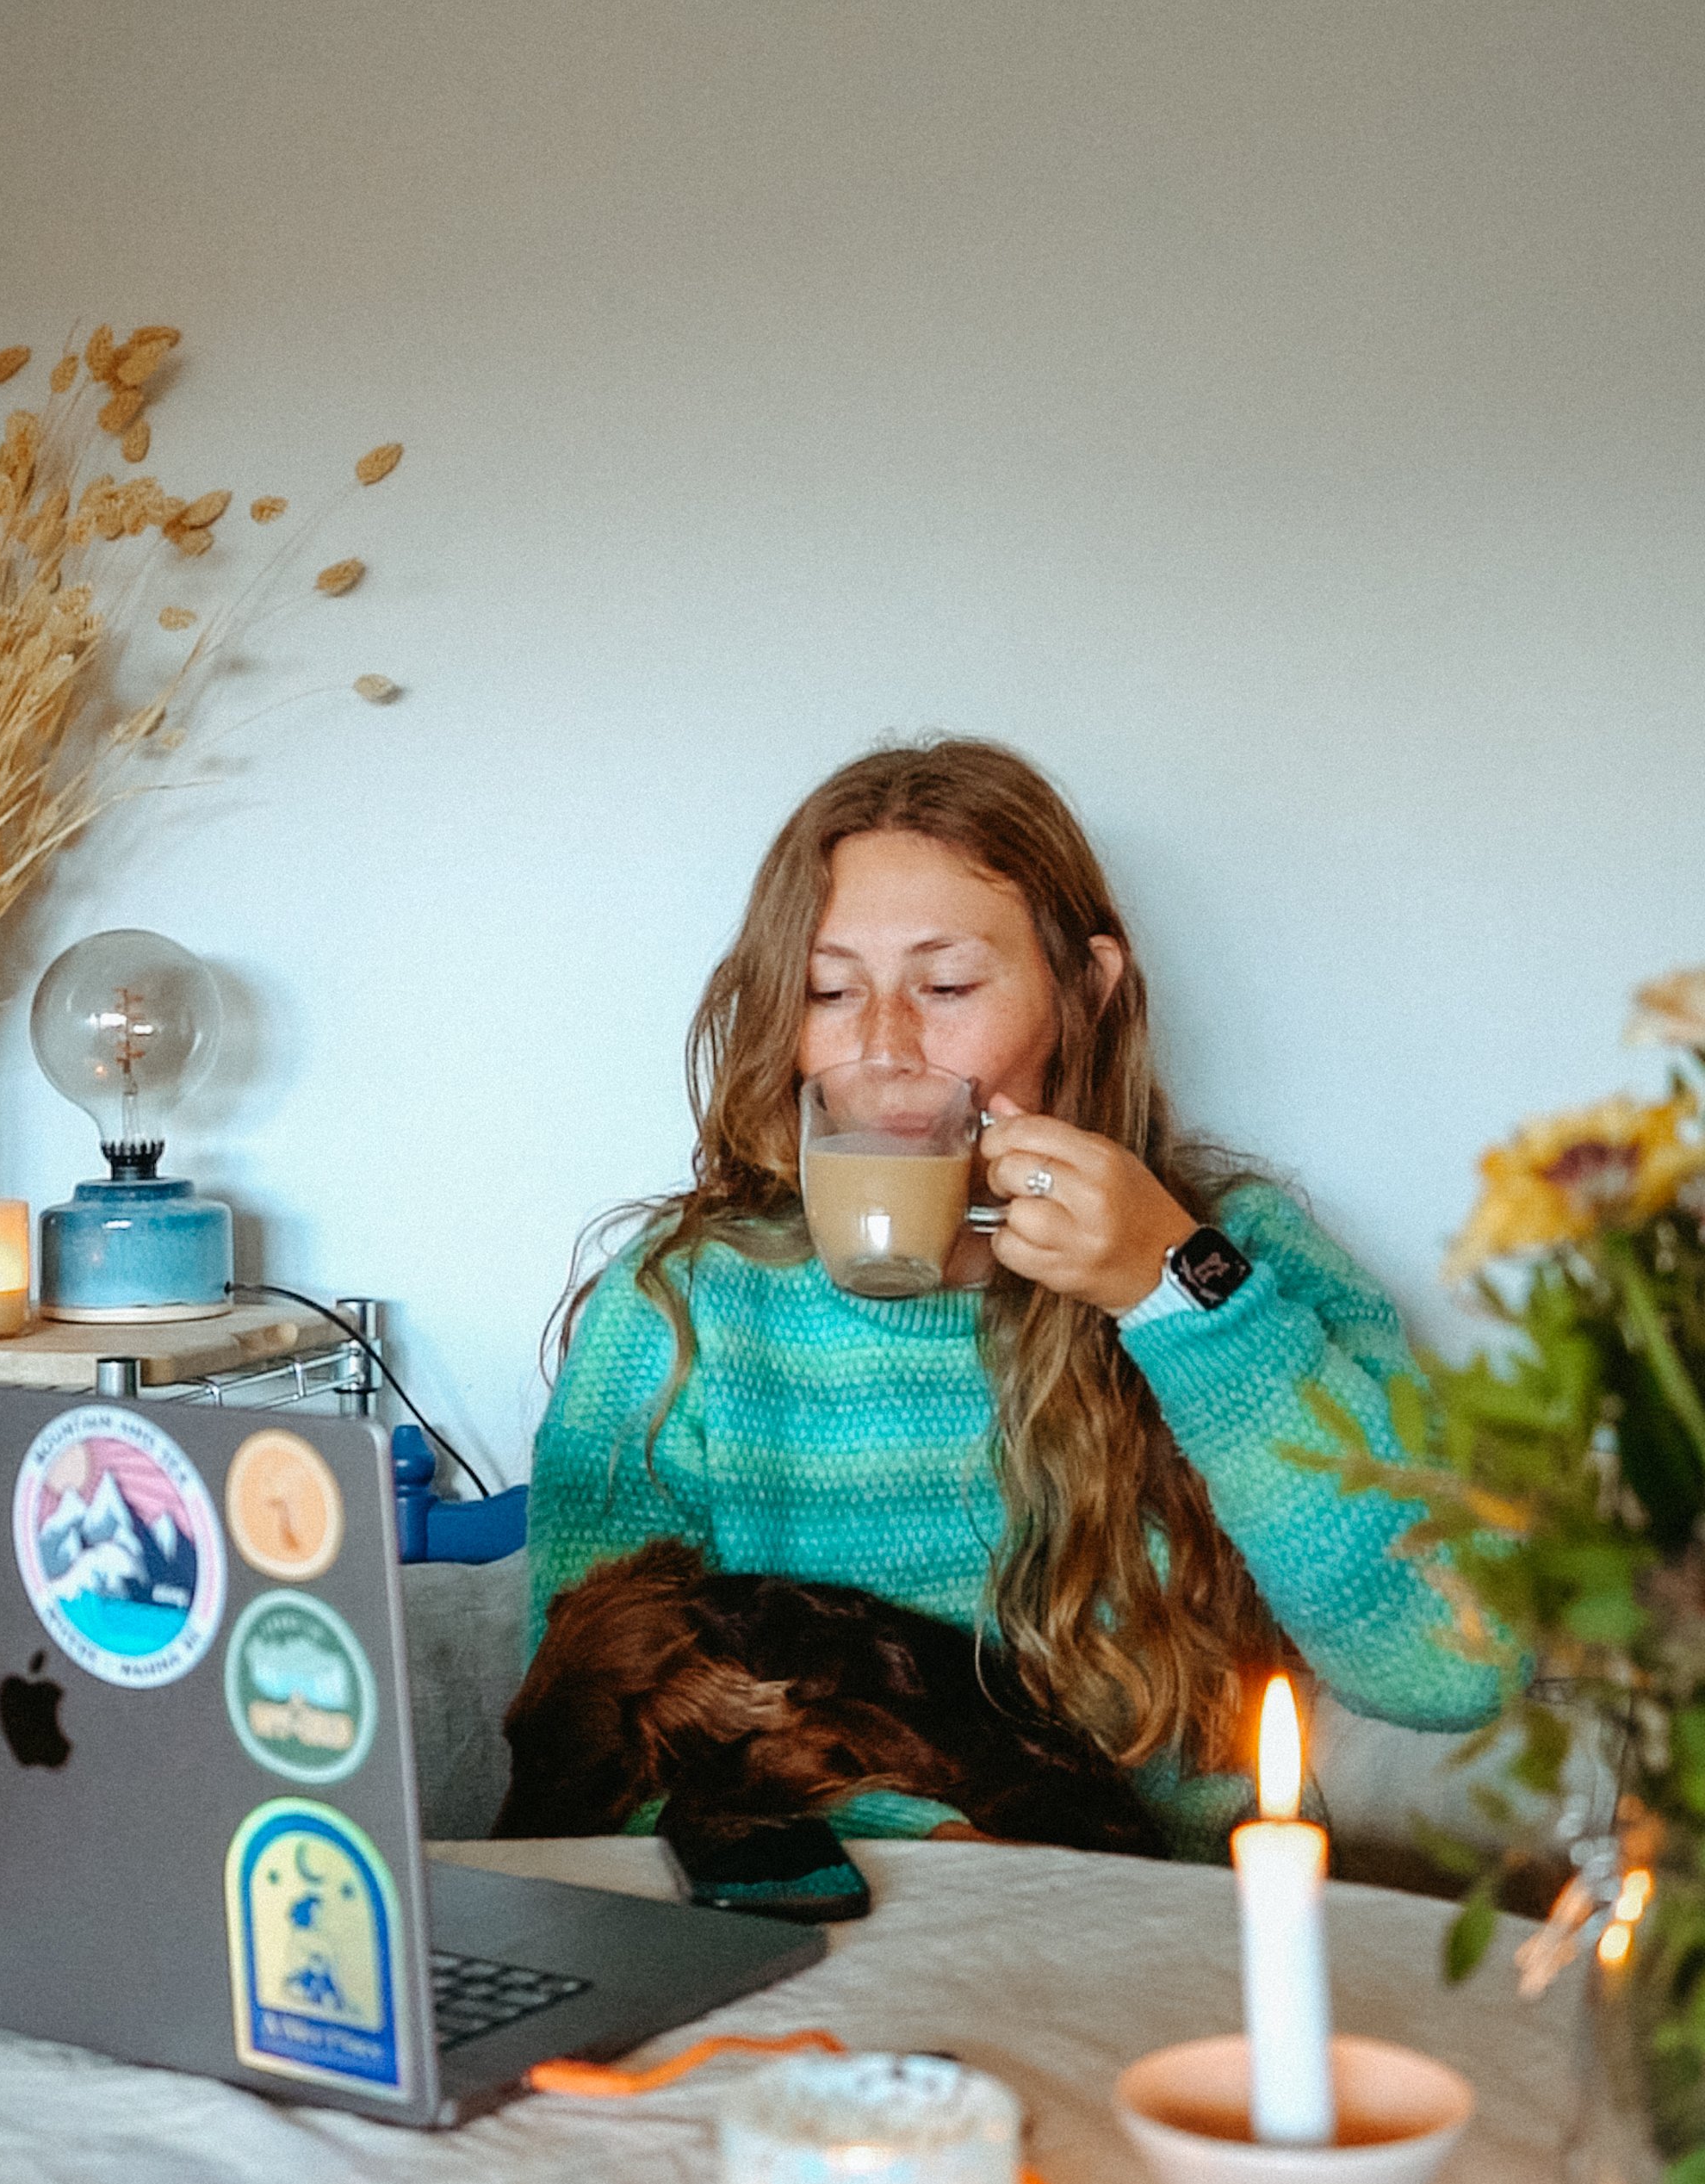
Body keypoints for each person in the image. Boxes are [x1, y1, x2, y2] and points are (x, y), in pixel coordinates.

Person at [525, 738, 1498, 1857]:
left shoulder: (1235, 1258)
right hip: (833, 1946)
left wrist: (1173, 1296)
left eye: (945, 987)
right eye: (828, 990)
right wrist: (925, 1846)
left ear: (1084, 991)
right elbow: (585, 1746)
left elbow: (1450, 1667)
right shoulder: (684, 1307)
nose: (885, 1049)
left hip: (1177, 1943)